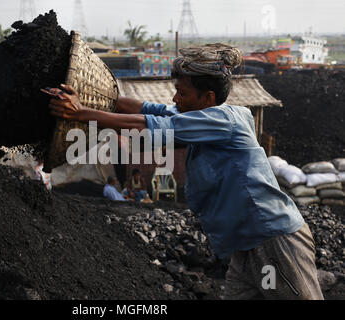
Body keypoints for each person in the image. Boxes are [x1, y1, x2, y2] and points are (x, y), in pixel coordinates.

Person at [43, 43, 323, 300]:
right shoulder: (200, 116)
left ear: (207, 97)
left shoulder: (224, 120)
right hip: (245, 246)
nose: (175, 97)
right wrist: (93, 99)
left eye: (182, 92)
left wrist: (80, 114)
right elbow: (145, 108)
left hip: (271, 243)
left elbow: (146, 123)